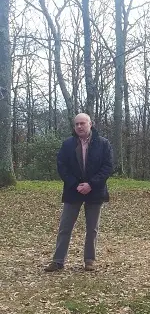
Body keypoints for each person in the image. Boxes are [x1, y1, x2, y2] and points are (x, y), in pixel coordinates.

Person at [44, 113, 113, 272]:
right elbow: (62, 166)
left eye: (82, 123)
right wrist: (76, 185)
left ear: (90, 124)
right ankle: (58, 261)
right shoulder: (67, 144)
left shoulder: (103, 144)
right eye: (77, 124)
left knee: (92, 228)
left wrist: (91, 184)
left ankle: (89, 260)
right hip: (72, 191)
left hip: (95, 191)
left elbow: (108, 167)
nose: (79, 127)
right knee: (65, 227)